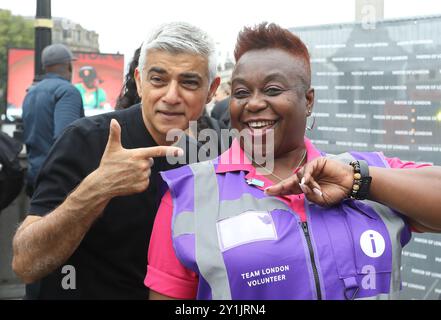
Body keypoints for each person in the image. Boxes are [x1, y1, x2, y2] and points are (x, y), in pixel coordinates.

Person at [145, 22, 441, 300]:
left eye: (273, 90)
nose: (255, 103)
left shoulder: (363, 172)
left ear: (308, 100)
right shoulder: (188, 194)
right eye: (241, 92)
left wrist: (358, 181)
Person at [12, 21, 220, 299]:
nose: (171, 96)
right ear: (139, 81)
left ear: (212, 89)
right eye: (158, 79)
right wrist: (97, 189)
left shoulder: (208, 156)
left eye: (189, 82)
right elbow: (25, 263)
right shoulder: (85, 140)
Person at [22, 44, 84, 197]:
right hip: (58, 181)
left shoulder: (31, 92)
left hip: (34, 176)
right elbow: (66, 138)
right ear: (69, 66)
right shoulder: (68, 91)